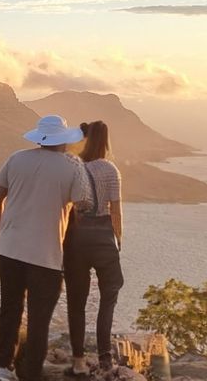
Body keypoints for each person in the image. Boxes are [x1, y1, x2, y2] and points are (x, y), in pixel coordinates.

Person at [0, 115, 93, 381]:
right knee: (39, 320)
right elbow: (83, 205)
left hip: (9, 250)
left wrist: (4, 231)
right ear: (63, 141)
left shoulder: (16, 158)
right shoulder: (72, 166)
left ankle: (2, 369)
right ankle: (31, 374)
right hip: (45, 256)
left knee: (10, 310)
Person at [63, 121, 124, 377]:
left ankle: (78, 360)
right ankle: (105, 358)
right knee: (109, 293)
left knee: (76, 300)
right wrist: (118, 240)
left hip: (75, 238)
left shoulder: (73, 167)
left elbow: (65, 206)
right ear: (105, 141)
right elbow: (116, 211)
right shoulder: (110, 170)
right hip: (102, 237)